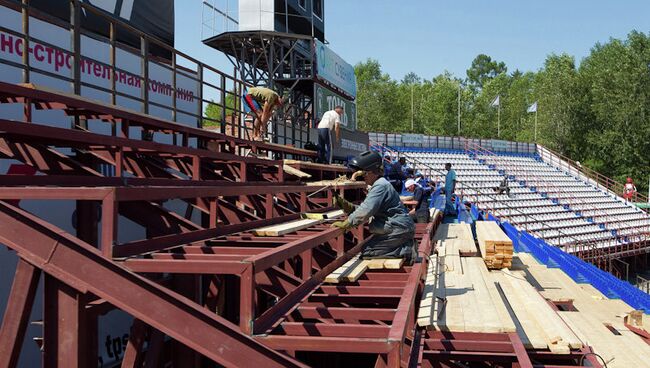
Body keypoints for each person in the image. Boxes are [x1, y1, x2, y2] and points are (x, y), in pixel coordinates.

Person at [332, 151, 416, 263]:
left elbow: (366, 210)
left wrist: (348, 223)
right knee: (366, 248)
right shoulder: (379, 184)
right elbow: (367, 208)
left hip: (397, 229)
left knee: (368, 252)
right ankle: (404, 245)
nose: (363, 177)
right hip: (398, 228)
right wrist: (347, 206)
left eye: (365, 174)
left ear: (374, 173)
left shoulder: (380, 186)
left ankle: (407, 250)